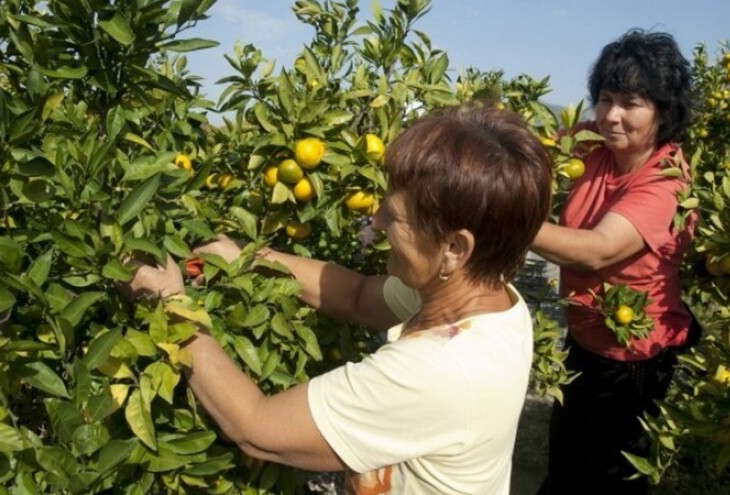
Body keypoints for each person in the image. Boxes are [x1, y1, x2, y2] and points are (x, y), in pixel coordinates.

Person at [123, 103, 553, 494]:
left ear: (455, 248)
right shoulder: (487, 297)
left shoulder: (439, 370)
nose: (377, 221)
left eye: (395, 216)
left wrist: (170, 304)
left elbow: (254, 426)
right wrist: (251, 258)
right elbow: (358, 296)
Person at [531, 30, 697, 495]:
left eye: (630, 102)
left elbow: (597, 249)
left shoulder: (665, 185)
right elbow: (534, 155)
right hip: (583, 338)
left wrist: (504, 220)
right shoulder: (592, 146)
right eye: (604, 99)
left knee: (611, 478)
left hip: (632, 362)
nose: (611, 116)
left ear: (663, 111)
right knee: (564, 466)